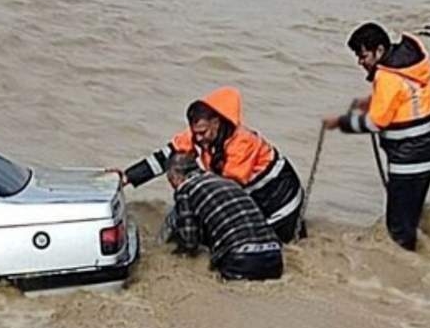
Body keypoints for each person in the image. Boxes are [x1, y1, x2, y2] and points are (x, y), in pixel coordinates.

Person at [116, 86, 305, 242]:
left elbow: (226, 189)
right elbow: (165, 156)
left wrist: (188, 192)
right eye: (195, 132)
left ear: (216, 123)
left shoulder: (243, 143)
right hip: (251, 194)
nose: (198, 138)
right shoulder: (200, 133)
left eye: (203, 132)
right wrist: (127, 177)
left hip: (280, 202)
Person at [322, 22, 430, 251]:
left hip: (409, 161)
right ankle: (422, 256)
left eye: (363, 55)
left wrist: (340, 122)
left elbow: (374, 122)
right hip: (429, 154)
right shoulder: (409, 65)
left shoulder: (387, 77)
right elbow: (407, 98)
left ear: (379, 51)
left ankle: (405, 271)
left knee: (396, 229)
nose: (360, 61)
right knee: (411, 216)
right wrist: (371, 102)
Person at [166, 152, 284, 281]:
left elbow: (189, 241)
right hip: (274, 257)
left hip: (242, 259)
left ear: (174, 176)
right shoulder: (225, 181)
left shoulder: (186, 189)